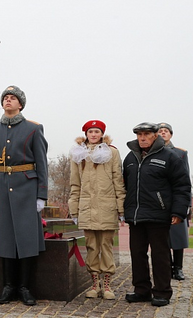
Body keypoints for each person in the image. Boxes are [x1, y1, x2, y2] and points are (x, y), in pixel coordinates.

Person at [0, 85, 48, 306]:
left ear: (20, 104)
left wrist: (42, 195)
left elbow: (41, 164)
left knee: (27, 239)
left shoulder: (33, 128)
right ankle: (9, 287)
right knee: (6, 240)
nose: (8, 101)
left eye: (13, 98)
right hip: (1, 190)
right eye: (5, 98)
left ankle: (25, 287)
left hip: (27, 190)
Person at [122, 122, 191, 307]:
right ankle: (141, 290)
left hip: (159, 215)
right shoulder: (130, 157)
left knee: (160, 255)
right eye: (139, 135)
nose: (142, 138)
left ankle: (162, 292)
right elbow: (126, 185)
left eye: (146, 134)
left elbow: (182, 185)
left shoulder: (170, 156)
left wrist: (179, 211)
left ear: (155, 136)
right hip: (136, 215)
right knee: (137, 254)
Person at [68, 120, 126, 300]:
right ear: (86, 134)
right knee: (92, 246)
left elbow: (118, 180)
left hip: (106, 206)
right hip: (86, 206)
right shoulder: (78, 154)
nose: (93, 135)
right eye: (90, 132)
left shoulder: (112, 152)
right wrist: (74, 209)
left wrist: (120, 207)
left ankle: (107, 285)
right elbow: (75, 183)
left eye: (97, 132)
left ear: (102, 134)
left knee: (106, 245)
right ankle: (95, 283)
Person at [157, 122, 191, 281]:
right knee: (161, 237)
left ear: (170, 135)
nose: (163, 133)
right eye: (160, 131)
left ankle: (178, 268)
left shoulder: (180, 153)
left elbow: (185, 180)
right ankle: (166, 267)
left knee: (178, 235)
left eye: (166, 131)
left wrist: (186, 204)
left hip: (176, 198)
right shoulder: (152, 153)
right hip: (158, 200)